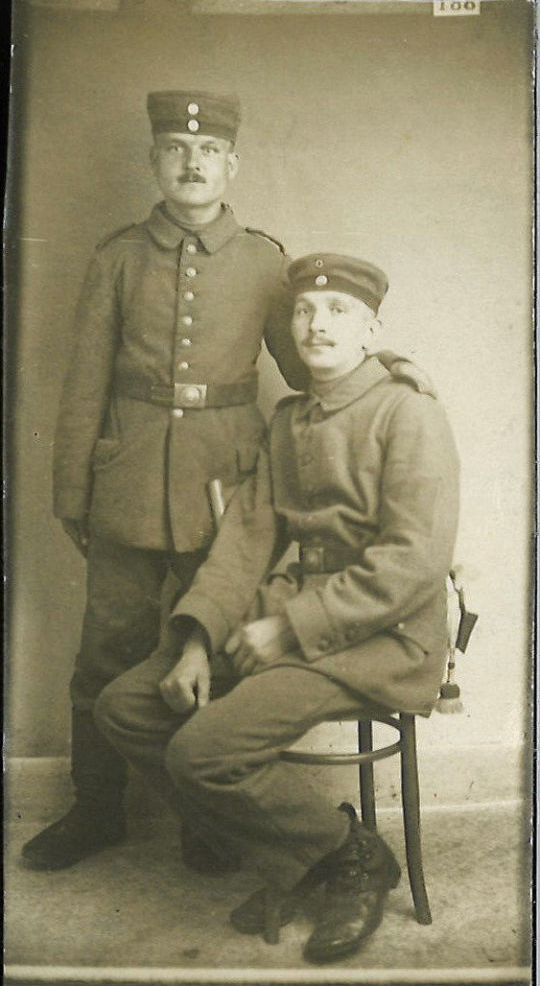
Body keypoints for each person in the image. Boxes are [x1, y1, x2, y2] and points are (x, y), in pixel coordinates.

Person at [94, 253, 460, 964]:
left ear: (371, 329)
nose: (317, 323)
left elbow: (412, 562)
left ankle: (351, 857)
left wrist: (290, 625)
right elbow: (246, 538)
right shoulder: (291, 418)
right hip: (296, 619)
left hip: (384, 636)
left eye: (338, 311)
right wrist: (199, 637)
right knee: (126, 704)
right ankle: (309, 853)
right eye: (303, 310)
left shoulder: (407, 411)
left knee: (201, 750)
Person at [22, 89, 311, 873]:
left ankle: (204, 815)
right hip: (125, 479)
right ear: (154, 162)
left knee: (211, 651)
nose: (192, 164)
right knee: (107, 648)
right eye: (176, 152)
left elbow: (309, 368)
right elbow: (84, 382)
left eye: (208, 152)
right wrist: (72, 490)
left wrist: (385, 383)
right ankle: (96, 807)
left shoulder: (262, 260)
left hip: (224, 487)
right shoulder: (118, 256)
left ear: (231, 164)